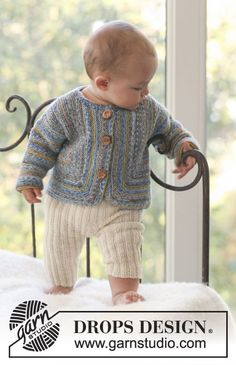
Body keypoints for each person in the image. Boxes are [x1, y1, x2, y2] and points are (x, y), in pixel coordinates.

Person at [16, 21, 199, 305]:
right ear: (103, 82)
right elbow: (41, 141)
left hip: (121, 205)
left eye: (147, 84)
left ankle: (123, 293)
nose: (146, 93)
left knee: (125, 247)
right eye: (139, 86)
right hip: (67, 201)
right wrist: (30, 176)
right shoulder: (67, 108)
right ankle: (61, 290)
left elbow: (170, 129)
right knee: (59, 248)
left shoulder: (146, 110)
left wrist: (183, 147)